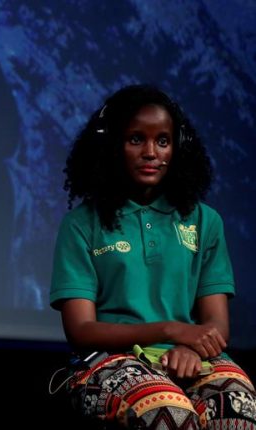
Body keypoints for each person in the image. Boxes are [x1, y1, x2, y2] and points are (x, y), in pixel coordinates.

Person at [50, 84, 256, 429]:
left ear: (178, 148)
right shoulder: (81, 224)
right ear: (112, 145)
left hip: (193, 356)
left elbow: (217, 325)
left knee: (235, 408)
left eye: (163, 141)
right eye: (135, 140)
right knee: (168, 413)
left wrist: (190, 348)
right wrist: (172, 331)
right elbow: (81, 330)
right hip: (109, 361)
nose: (151, 152)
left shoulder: (205, 221)